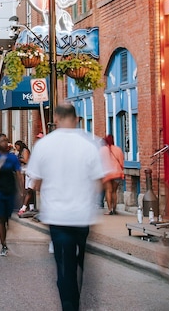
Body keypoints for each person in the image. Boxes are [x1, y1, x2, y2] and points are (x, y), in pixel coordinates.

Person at [27, 104, 108, 311]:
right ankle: (75, 300)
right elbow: (99, 182)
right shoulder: (91, 143)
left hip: (57, 215)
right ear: (76, 118)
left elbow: (35, 182)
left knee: (64, 266)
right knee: (78, 263)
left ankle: (69, 305)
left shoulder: (44, 145)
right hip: (82, 215)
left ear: (56, 118)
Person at [0, 133, 21, 257]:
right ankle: (3, 245)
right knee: (0, 218)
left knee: (6, 217)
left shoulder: (12, 158)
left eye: (6, 140)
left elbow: (18, 173)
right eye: (2, 140)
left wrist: (21, 190)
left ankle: (3, 233)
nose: (5, 142)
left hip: (10, 190)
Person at [100, 134, 124, 215]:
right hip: (117, 172)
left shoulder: (102, 150)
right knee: (114, 191)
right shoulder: (118, 149)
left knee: (108, 191)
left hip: (106, 173)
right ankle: (114, 209)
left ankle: (109, 209)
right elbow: (121, 162)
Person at [15, 140, 36, 217]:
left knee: (28, 190)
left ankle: (23, 208)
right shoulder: (20, 152)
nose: (16, 148)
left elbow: (26, 160)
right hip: (25, 172)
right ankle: (31, 207)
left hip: (29, 171)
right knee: (28, 190)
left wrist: (18, 159)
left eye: (16, 146)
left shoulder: (25, 151)